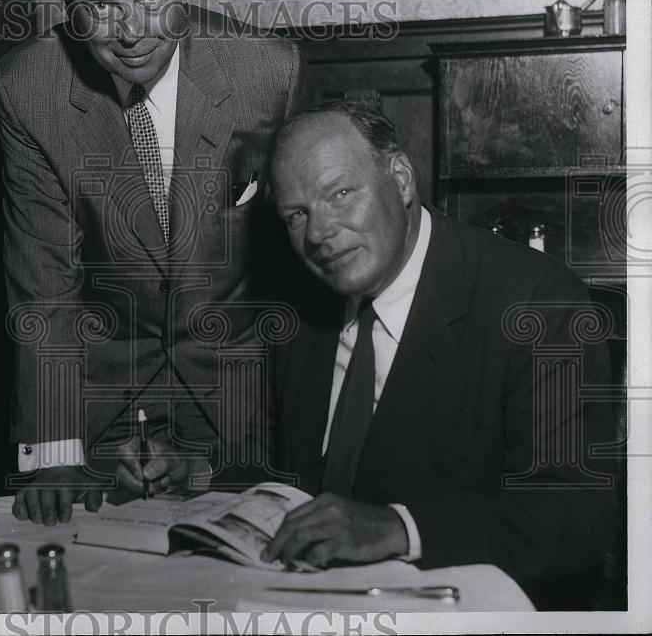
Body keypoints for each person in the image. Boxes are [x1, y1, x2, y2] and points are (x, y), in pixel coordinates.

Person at [0, 0, 313, 524]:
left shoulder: (267, 73)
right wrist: (57, 452)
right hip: (100, 413)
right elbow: (43, 286)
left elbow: (300, 278)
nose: (133, 32)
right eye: (101, 8)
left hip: (241, 413)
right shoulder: (28, 86)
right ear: (65, 1)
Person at [260, 100, 616, 587]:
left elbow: (573, 516)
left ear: (402, 178)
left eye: (340, 193)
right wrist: (194, 472)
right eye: (296, 215)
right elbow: (279, 472)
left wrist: (399, 528)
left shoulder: (537, 303)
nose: (319, 233)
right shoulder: (297, 309)